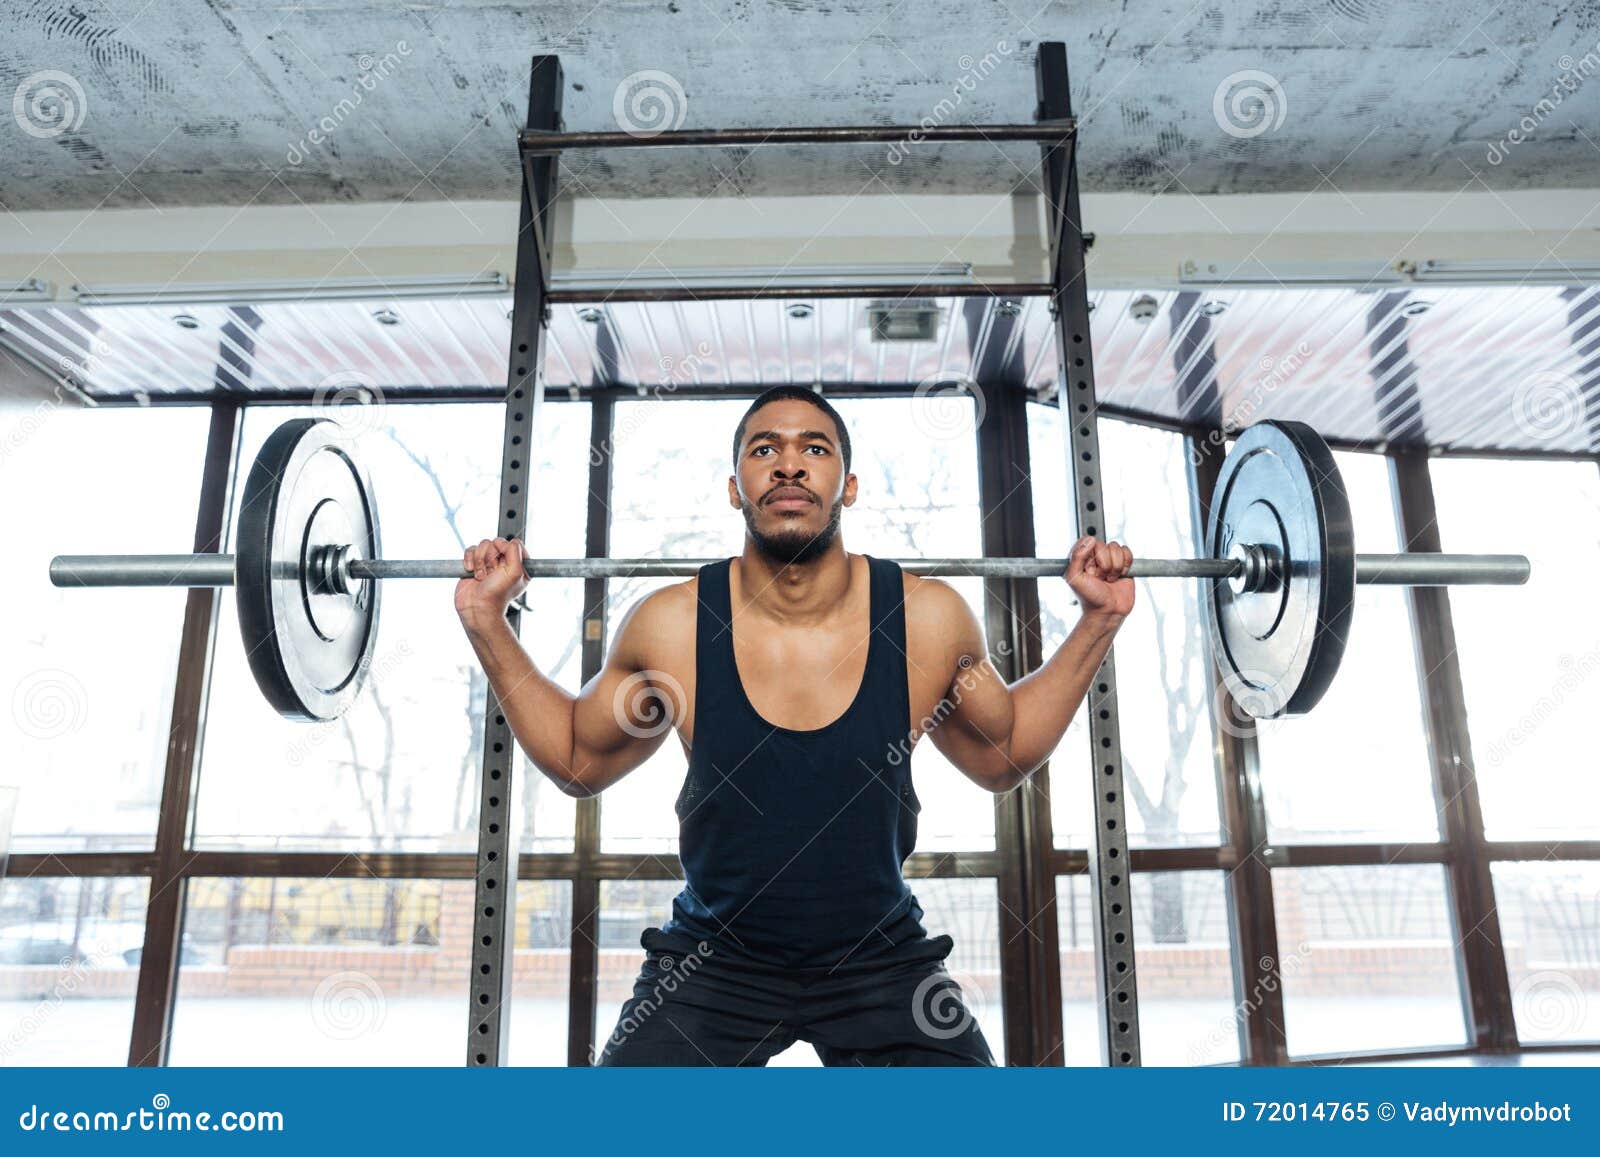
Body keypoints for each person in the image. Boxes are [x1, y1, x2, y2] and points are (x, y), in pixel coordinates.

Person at [455, 384, 1134, 1066]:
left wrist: (1097, 619)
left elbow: (1004, 753)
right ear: (735, 487)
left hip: (879, 960)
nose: (789, 465)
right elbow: (578, 758)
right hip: (714, 963)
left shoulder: (927, 618)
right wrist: (488, 620)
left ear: (849, 483)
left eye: (814, 448)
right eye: (764, 449)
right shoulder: (673, 626)